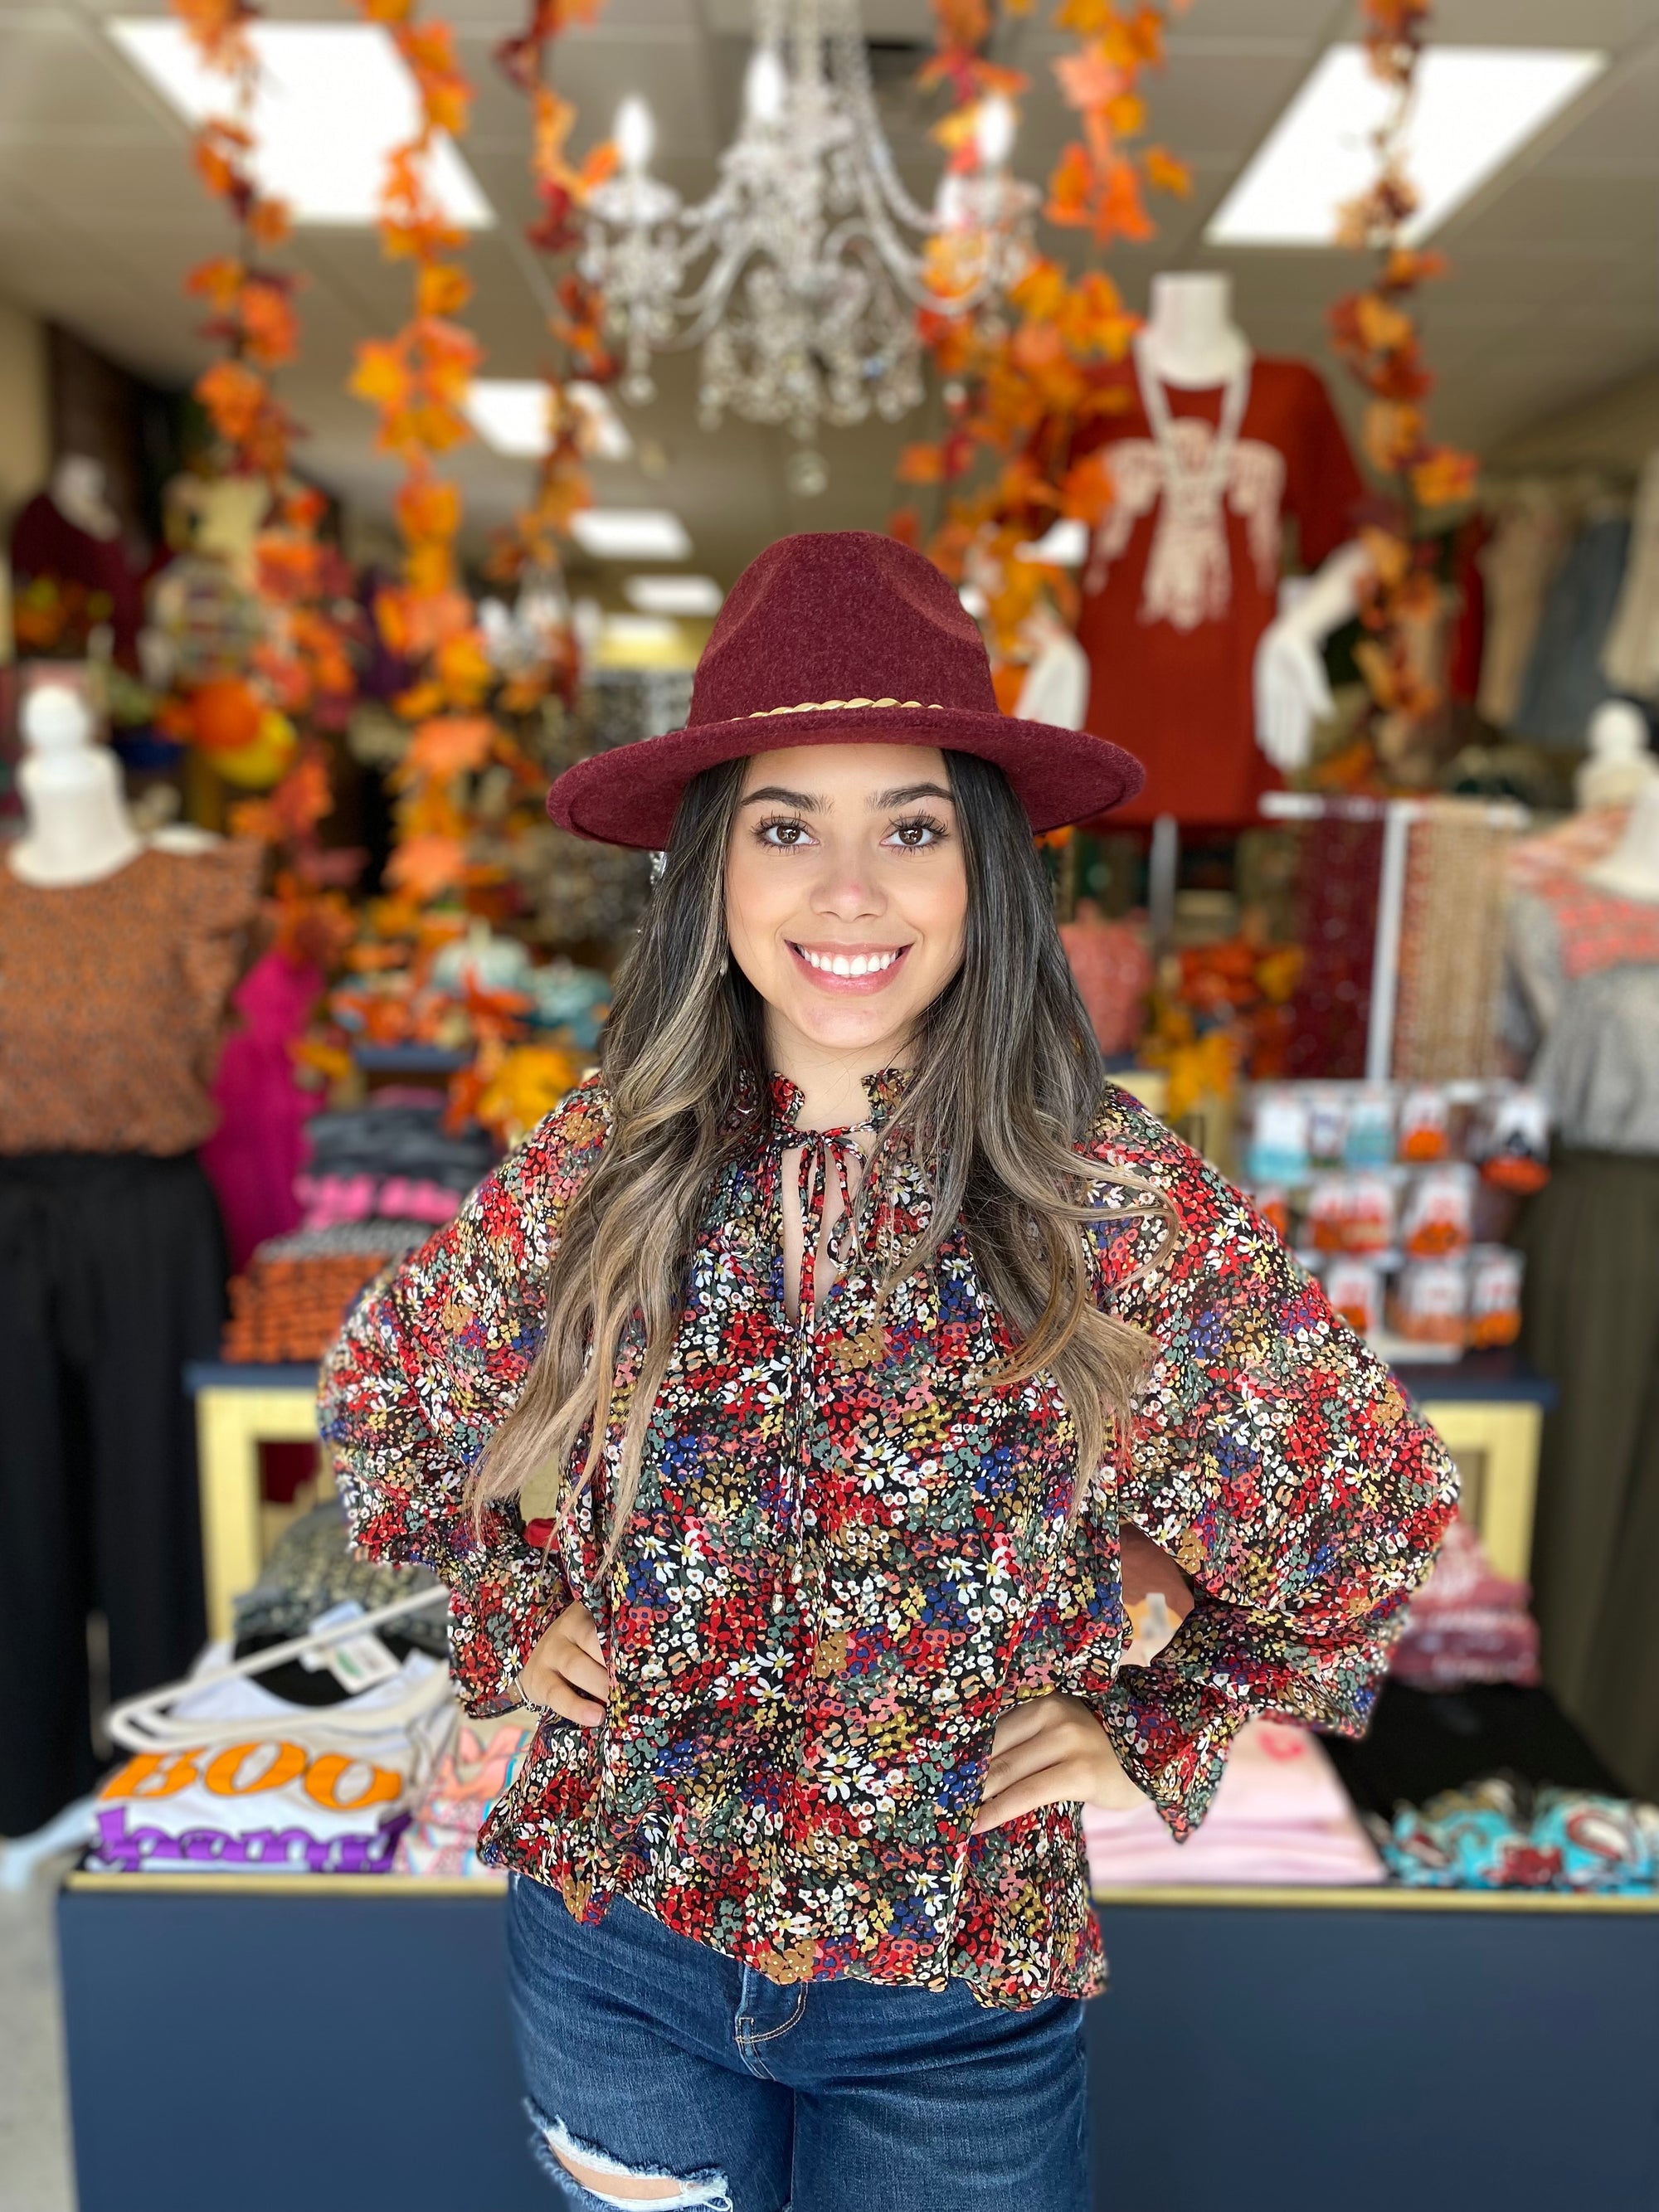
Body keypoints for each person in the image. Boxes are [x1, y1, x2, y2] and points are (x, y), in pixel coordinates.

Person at [319, 532, 1457, 2212]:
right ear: (712, 869)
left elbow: (1362, 1507)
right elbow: (391, 1396)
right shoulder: (599, 1160)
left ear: (983, 868)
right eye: (786, 826)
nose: (846, 892)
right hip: (616, 1944)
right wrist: (509, 1604)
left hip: (951, 1996)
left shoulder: (1110, 1199)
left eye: (908, 827)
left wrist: (1157, 1709)